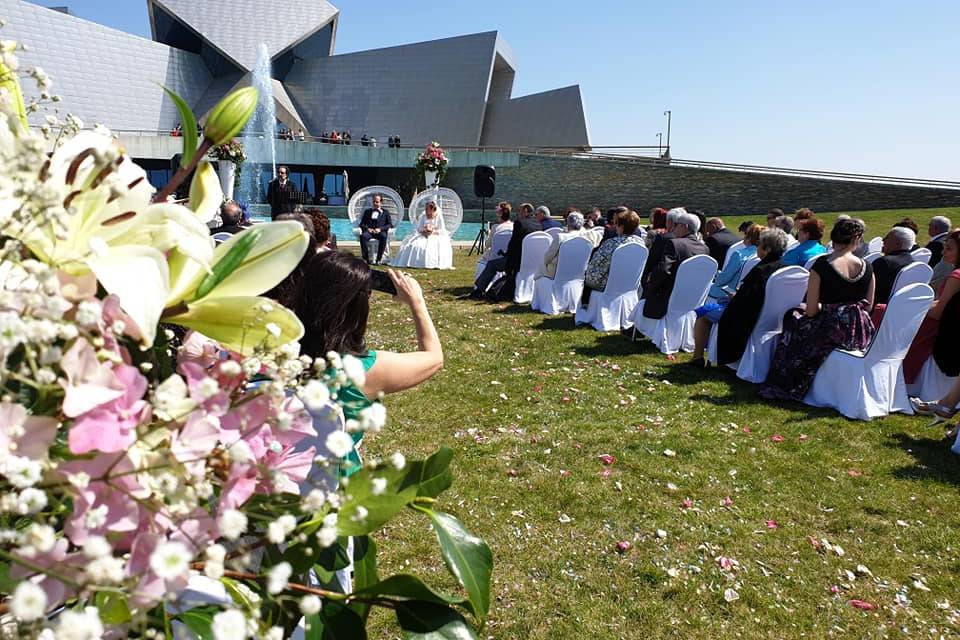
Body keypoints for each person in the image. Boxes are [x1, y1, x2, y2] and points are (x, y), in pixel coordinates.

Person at [293, 253, 443, 477]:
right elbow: (434, 357)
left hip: (272, 483)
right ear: (357, 308)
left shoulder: (272, 352)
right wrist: (417, 302)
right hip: (333, 489)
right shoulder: (360, 371)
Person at [760, 219, 875, 402]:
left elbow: (812, 310)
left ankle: (785, 382)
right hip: (858, 330)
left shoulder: (823, 264)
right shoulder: (867, 267)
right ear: (857, 239)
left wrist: (827, 307)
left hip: (830, 329)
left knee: (792, 321)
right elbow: (868, 305)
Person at [688, 228, 789, 367]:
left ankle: (697, 357)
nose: (757, 247)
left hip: (747, 316)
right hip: (774, 319)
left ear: (768, 249)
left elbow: (746, 302)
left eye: (759, 244)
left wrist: (734, 296)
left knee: (703, 314)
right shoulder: (786, 269)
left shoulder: (760, 271)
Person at [899, 230, 960, 384]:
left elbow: (939, 312)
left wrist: (916, 308)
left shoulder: (956, 276)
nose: (943, 251)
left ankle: (901, 377)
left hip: (944, 331)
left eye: (949, 248)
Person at [639, 209, 709, 320]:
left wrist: (649, 284)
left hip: (669, 296)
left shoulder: (675, 243)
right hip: (691, 297)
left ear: (684, 227)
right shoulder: (704, 248)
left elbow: (664, 270)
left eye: (676, 225)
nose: (673, 228)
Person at [469, 203, 539, 298]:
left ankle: (478, 291)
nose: (517, 213)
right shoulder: (538, 225)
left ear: (525, 211)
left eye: (519, 211)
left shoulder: (519, 223)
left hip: (517, 262)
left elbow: (513, 244)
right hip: (535, 262)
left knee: (492, 264)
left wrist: (506, 255)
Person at [581, 210, 644, 305]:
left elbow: (596, 264)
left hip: (609, 284)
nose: (614, 226)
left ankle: (586, 306)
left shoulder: (610, 244)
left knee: (587, 277)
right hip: (631, 283)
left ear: (621, 227)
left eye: (616, 224)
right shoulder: (641, 244)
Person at [707, 223, 762, 300]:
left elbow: (722, 280)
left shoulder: (739, 254)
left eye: (746, 234)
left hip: (729, 294)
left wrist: (717, 275)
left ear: (749, 238)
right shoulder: (762, 256)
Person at [392, 200, 453, 269]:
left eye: (428, 209)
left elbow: (442, 229)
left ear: (432, 209)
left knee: (432, 247)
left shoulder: (438, 217)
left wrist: (432, 231)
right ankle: (414, 262)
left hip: (435, 235)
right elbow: (419, 228)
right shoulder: (423, 216)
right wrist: (423, 230)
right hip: (423, 234)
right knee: (413, 245)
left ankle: (431, 263)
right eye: (425, 209)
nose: (426, 211)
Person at [871, 226, 917, 305]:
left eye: (887, 238)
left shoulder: (884, 263)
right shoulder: (913, 263)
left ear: (897, 243)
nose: (883, 240)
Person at [537, 211, 588, 280]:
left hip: (556, 273)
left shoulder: (560, 237)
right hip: (577, 273)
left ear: (568, 223)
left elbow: (547, 258)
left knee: (539, 270)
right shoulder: (586, 239)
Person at [358, 193, 393, 264]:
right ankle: (366, 259)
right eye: (374, 201)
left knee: (383, 236)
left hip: (380, 232)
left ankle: (379, 259)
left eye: (377, 202)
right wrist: (368, 229)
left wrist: (380, 229)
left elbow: (389, 224)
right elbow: (362, 224)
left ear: (381, 202)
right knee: (363, 236)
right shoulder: (367, 212)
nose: (375, 203)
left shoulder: (385, 212)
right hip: (370, 232)